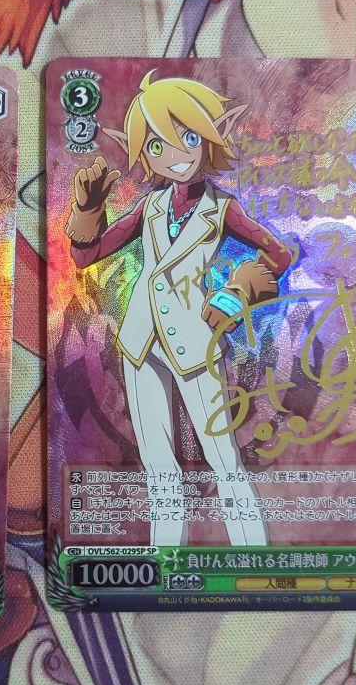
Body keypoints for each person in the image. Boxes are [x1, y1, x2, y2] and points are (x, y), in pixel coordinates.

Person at [66, 71, 291, 545]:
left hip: (196, 338)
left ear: (208, 138)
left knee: (222, 455)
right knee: (157, 460)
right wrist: (89, 211)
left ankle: (252, 551)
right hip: (140, 341)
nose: (174, 154)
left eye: (188, 138)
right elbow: (86, 256)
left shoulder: (222, 209)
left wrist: (237, 291)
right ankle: (165, 553)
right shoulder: (149, 207)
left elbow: (279, 254)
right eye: (157, 145)